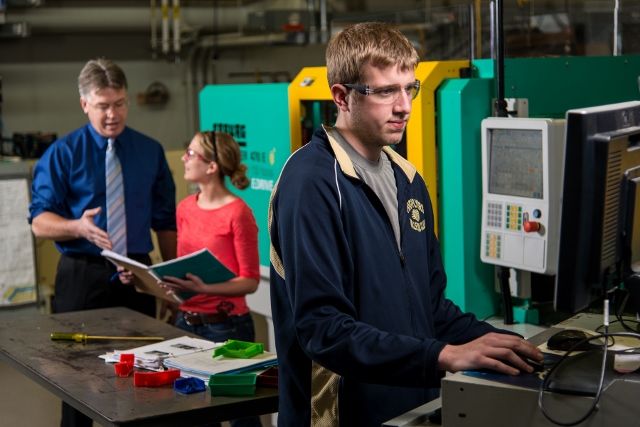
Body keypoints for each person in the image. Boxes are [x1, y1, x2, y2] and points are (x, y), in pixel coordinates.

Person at [268, 22, 543, 426]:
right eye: (385, 91)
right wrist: (443, 356)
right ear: (341, 96)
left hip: (414, 407)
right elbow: (323, 331)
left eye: (409, 88)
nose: (404, 106)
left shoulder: (407, 180)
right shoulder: (312, 183)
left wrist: (511, 346)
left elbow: (431, 309)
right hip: (342, 415)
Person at [29, 58, 177, 427]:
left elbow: (165, 221)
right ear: (84, 104)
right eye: (103, 106)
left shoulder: (150, 151)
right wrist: (78, 227)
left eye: (120, 103)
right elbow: (39, 223)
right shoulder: (63, 154)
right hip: (83, 273)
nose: (113, 114)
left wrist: (167, 282)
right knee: (76, 377)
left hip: (138, 271)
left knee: (145, 374)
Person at [161, 131, 261, 427]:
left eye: (191, 154)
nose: (183, 158)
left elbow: (250, 281)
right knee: (196, 414)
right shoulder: (185, 208)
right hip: (186, 323)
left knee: (240, 414)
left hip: (227, 327)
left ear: (212, 166)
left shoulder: (238, 213)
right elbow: (184, 270)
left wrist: (206, 288)